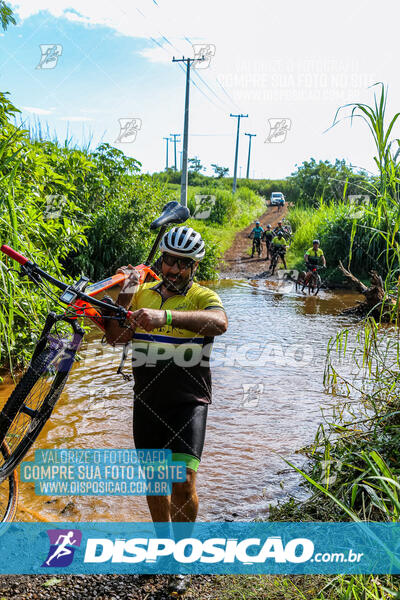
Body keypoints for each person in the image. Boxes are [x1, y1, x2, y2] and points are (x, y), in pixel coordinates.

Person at [104, 226, 228, 524]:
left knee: (183, 482)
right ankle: (164, 552)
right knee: (156, 482)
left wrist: (166, 317)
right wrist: (126, 293)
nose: (174, 269)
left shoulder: (202, 296)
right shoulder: (142, 294)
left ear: (194, 266)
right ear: (161, 259)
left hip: (189, 401)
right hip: (147, 400)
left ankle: (182, 556)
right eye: (170, 260)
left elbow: (220, 322)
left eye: (184, 263)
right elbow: (117, 337)